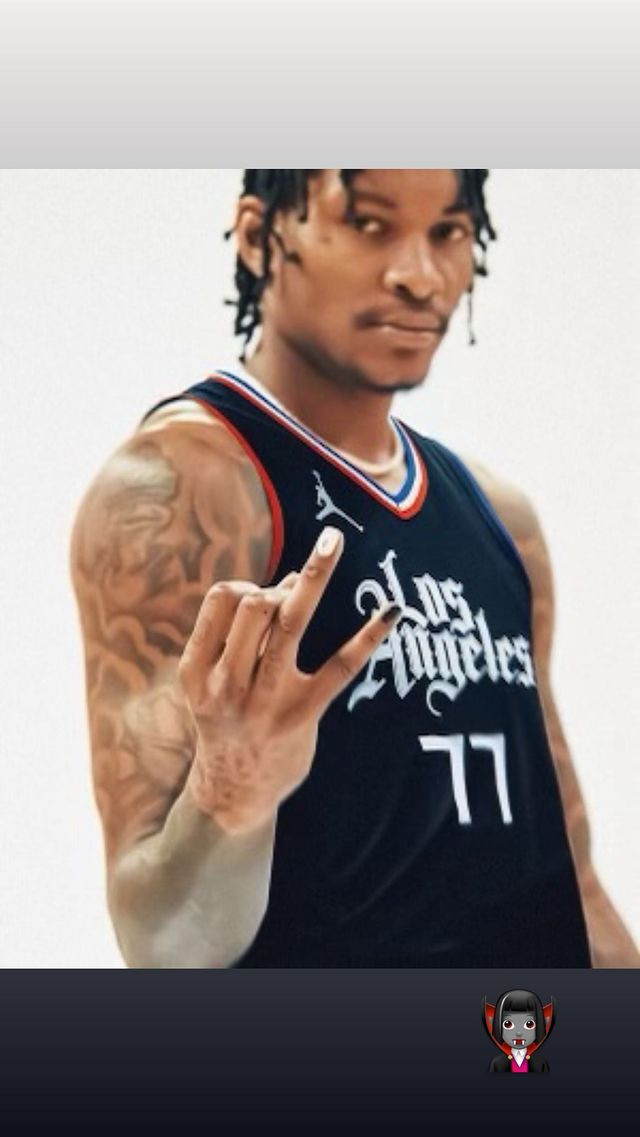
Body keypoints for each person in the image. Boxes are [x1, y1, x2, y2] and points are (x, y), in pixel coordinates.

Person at [70, 169, 639, 968]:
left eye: (448, 231)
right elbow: (160, 943)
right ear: (259, 234)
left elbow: (573, 883)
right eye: (371, 224)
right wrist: (228, 796)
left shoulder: (502, 517)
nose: (420, 274)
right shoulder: (183, 489)